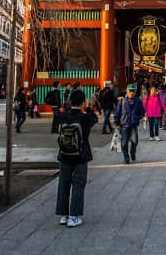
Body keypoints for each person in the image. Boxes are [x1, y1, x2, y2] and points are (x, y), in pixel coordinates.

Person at [54, 89, 98, 228]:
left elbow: (56, 121)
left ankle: (64, 215)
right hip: (81, 154)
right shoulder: (85, 118)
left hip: (65, 153)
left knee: (64, 183)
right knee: (78, 184)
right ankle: (74, 216)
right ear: (83, 102)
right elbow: (94, 119)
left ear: (70, 101)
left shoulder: (63, 116)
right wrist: (89, 108)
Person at [114, 83, 145, 164]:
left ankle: (132, 152)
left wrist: (140, 117)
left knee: (135, 141)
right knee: (124, 143)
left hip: (133, 124)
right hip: (124, 124)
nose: (132, 93)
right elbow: (117, 112)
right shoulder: (122, 101)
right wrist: (116, 123)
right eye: (130, 91)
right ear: (127, 91)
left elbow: (142, 111)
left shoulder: (138, 101)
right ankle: (126, 157)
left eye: (133, 91)